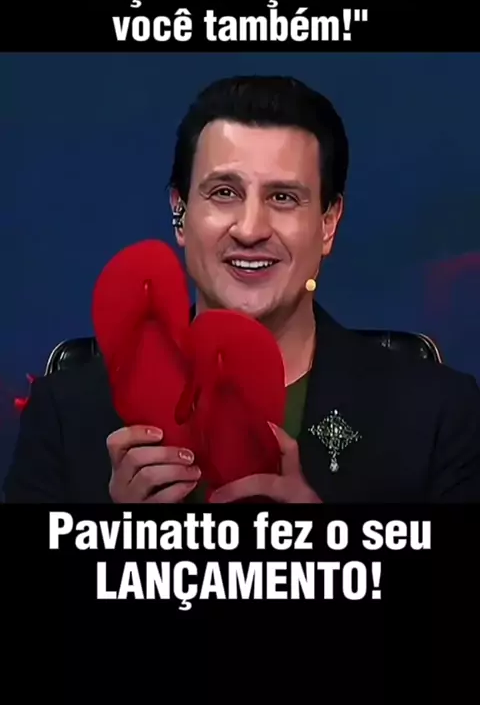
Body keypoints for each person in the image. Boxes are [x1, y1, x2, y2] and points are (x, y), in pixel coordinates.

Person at [4, 75, 480, 503]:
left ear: (328, 223)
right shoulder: (66, 416)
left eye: (283, 197)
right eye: (224, 193)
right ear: (180, 213)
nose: (251, 229)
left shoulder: (438, 416)